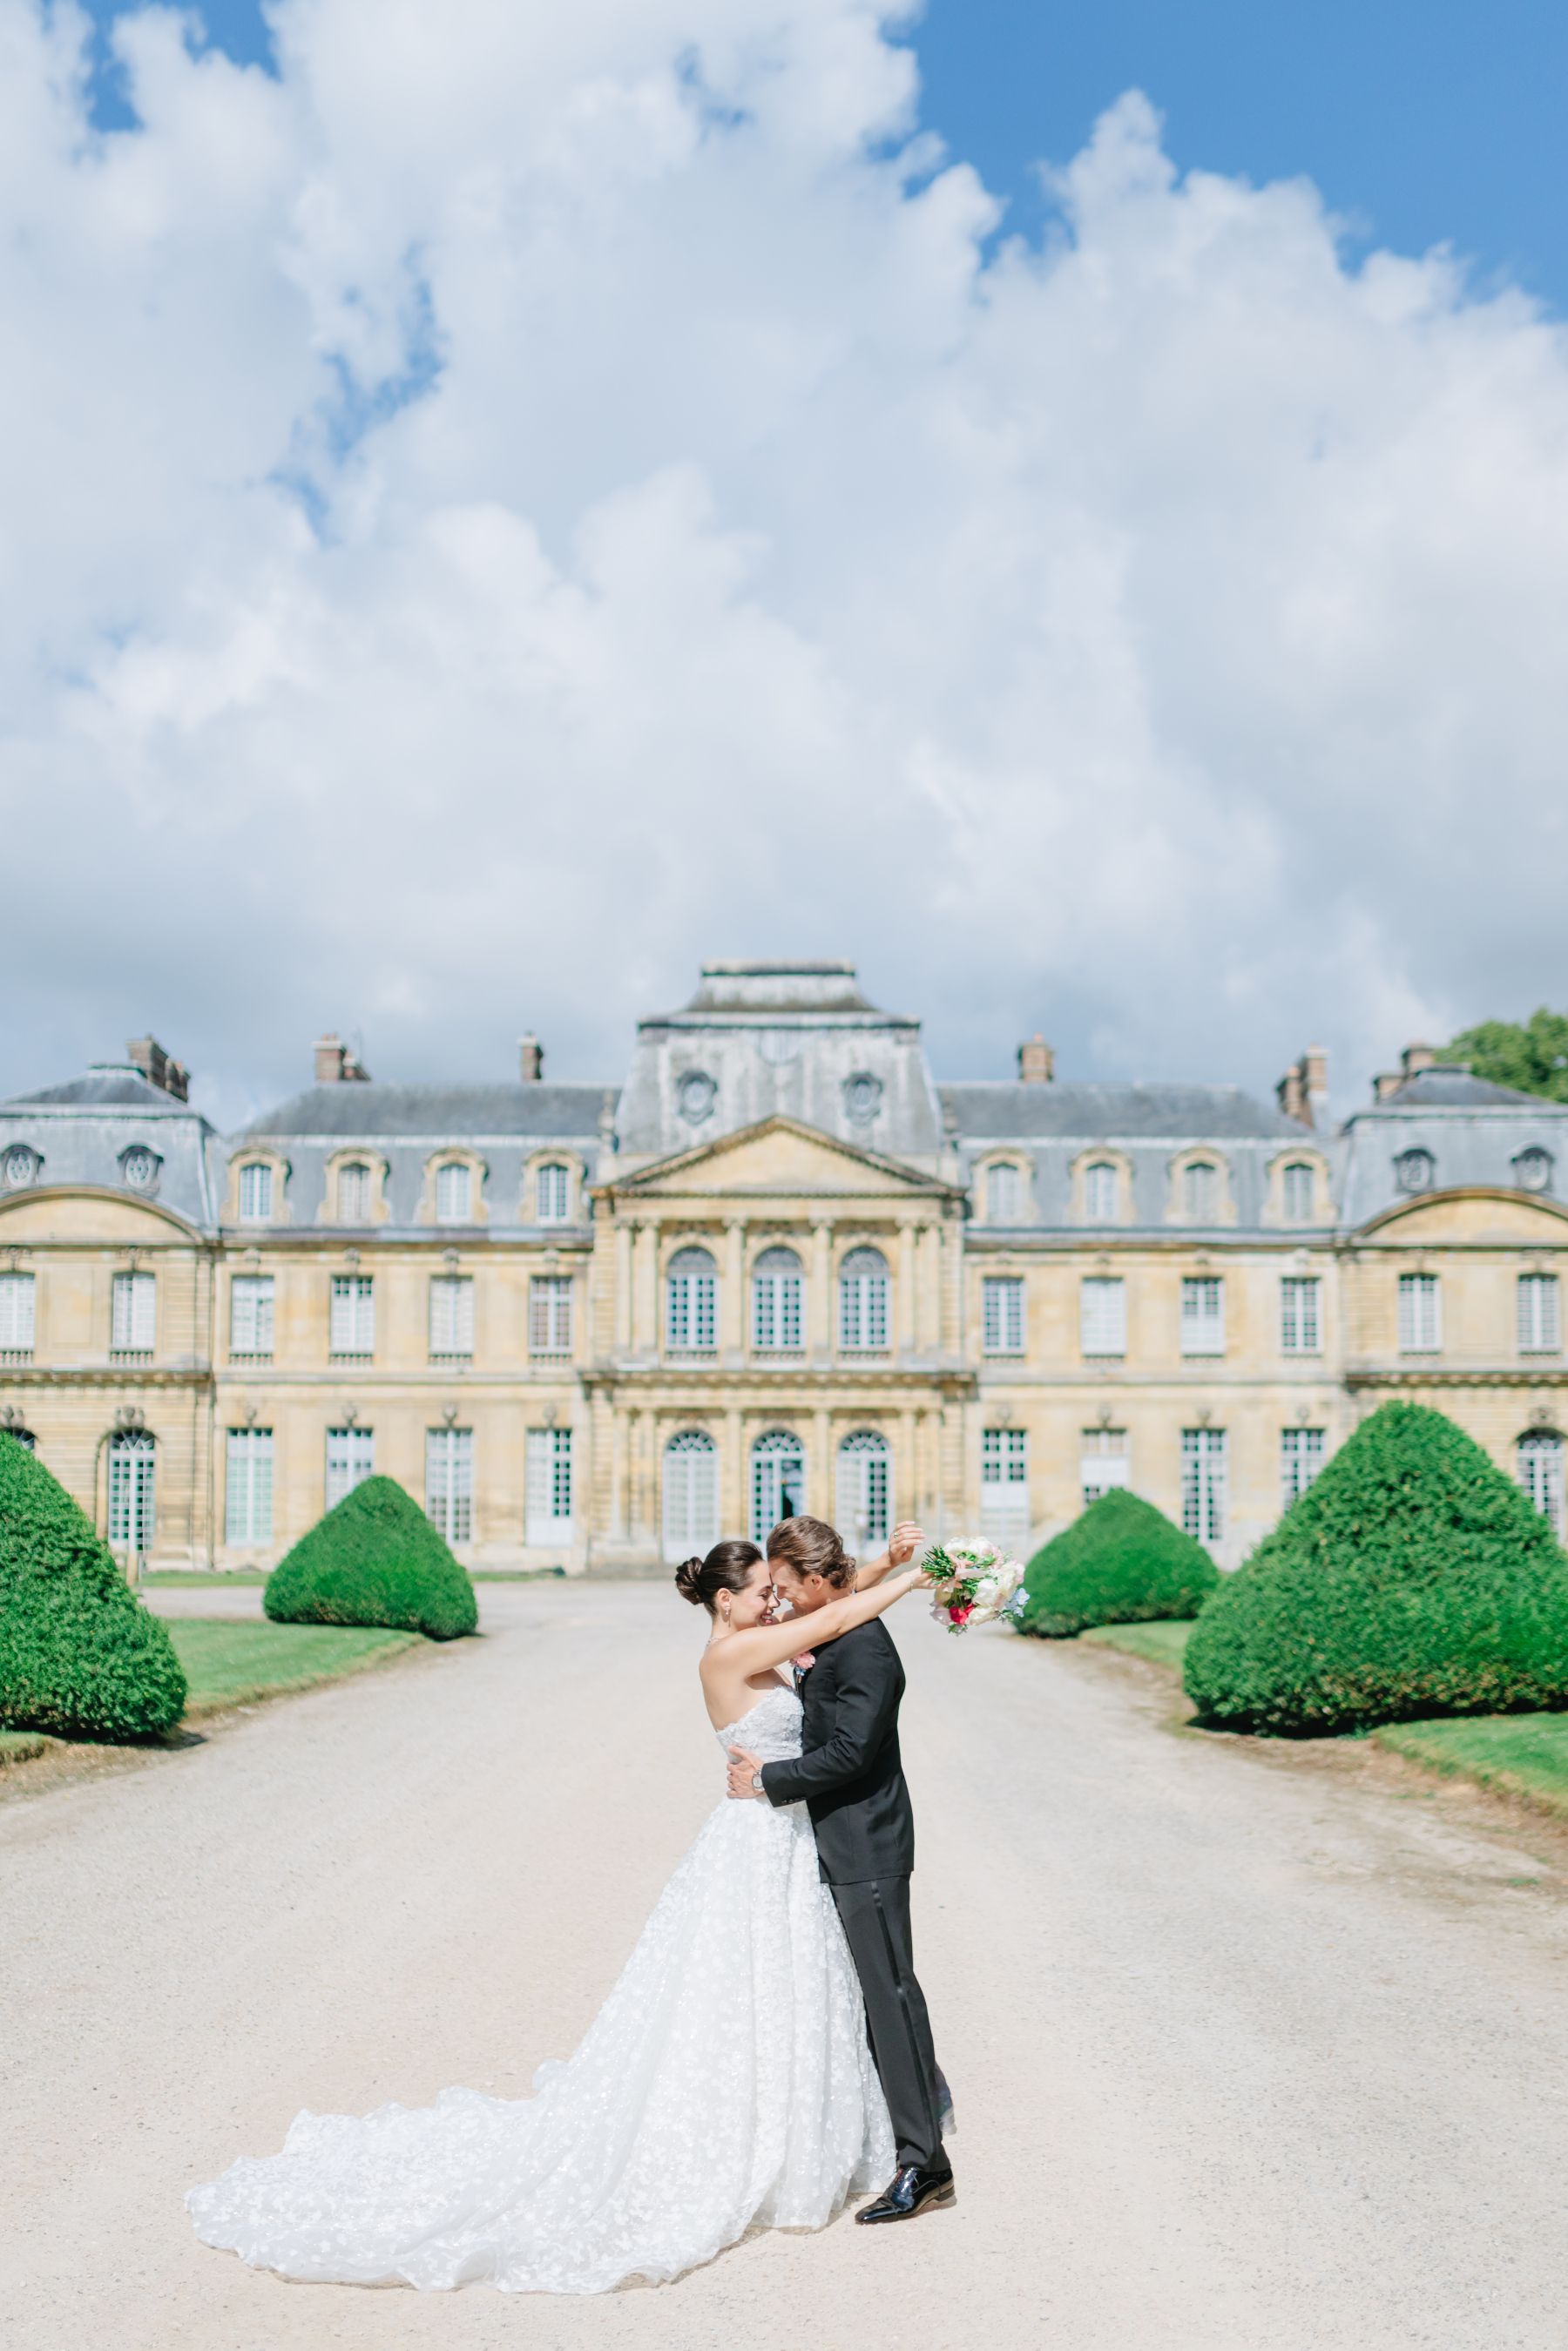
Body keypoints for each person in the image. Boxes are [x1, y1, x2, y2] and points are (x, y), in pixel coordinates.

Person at [186, 1534, 929, 2294]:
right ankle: (754, 2137)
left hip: (782, 1836)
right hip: (755, 1836)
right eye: (762, 1592)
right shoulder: (729, 1655)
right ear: (724, 1601)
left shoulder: (756, 1637)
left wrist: (883, 1568)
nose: (775, 1599)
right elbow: (830, 1620)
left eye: (780, 1590)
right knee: (739, 1992)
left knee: (785, 1986)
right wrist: (911, 1580)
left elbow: (826, 1610)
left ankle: (797, 2124)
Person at [727, 1514, 953, 2224]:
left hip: (869, 1846)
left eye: (790, 1586)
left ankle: (925, 2164)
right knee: (875, 1998)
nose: (784, 1599)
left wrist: (770, 1778)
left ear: (822, 1581)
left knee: (890, 1995)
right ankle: (919, 2128)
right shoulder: (835, 1629)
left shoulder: (866, 1652)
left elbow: (850, 1754)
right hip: (841, 1844)